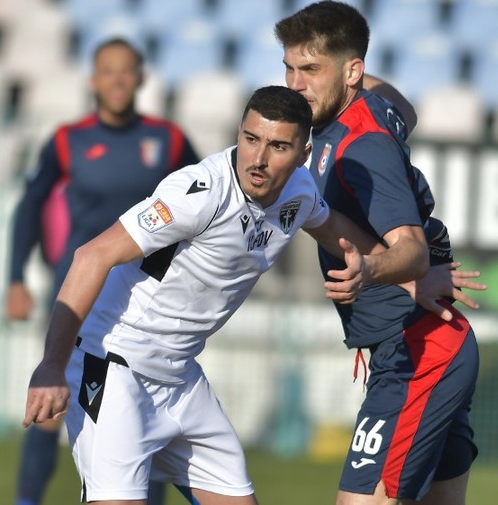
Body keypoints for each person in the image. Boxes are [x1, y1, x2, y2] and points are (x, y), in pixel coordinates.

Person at [21, 85, 435, 505]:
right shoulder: (198, 194)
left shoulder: (300, 191)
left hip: (180, 378)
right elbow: (91, 256)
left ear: (303, 154)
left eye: (277, 146)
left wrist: (411, 274)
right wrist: (51, 366)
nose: (258, 158)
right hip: (113, 367)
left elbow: (335, 232)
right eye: (250, 139)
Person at [275, 2, 481, 504]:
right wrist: (344, 66)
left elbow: (408, 249)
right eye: (289, 67)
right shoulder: (352, 115)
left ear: (352, 71)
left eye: (310, 70)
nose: (295, 83)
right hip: (423, 343)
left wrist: (372, 269)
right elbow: (401, 106)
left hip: (418, 351)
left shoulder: (364, 145)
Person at [5, 37, 199, 505]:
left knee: (144, 407)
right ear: (93, 80)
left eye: (126, 70)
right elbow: (29, 206)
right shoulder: (68, 140)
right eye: (107, 71)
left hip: (148, 298)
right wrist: (15, 278)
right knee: (53, 401)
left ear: (141, 78)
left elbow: (206, 202)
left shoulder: (168, 140)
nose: (117, 80)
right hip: (80, 293)